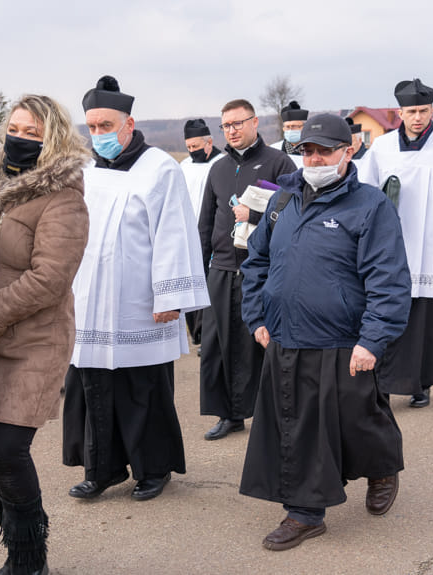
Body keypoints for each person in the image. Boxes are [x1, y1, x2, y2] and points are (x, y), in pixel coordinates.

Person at [239, 114, 410, 551]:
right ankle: (305, 513)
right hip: (286, 338)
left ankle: (382, 467)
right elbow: (256, 262)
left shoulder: (370, 205)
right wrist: (256, 317)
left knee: (358, 420)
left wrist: (373, 340)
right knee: (297, 425)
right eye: (307, 151)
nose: (314, 158)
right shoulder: (282, 202)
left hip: (343, 341)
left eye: (325, 151)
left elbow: (387, 279)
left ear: (348, 151)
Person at [63, 76, 209, 501]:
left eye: (106, 126)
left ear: (129, 123)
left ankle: (153, 469)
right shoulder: (84, 170)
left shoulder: (159, 168)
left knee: (142, 388)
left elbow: (175, 235)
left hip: (139, 303)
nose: (98, 135)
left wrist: (170, 297)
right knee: (91, 387)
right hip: (89, 300)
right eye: (91, 127)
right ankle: (101, 468)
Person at [0, 95, 90, 575]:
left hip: (33, 342)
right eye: (15, 128)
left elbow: (49, 279)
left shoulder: (64, 199)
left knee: (8, 450)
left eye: (33, 132)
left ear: (53, 138)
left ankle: (30, 560)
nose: (20, 138)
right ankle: (18, 547)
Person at [359, 78, 433, 408]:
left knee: (426, 319)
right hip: (389, 245)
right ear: (400, 112)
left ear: (432, 112)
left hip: (430, 247)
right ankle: (381, 382)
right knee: (385, 310)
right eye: (412, 111)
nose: (418, 117)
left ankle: (421, 382)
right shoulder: (381, 148)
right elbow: (366, 192)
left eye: (424, 111)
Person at [198, 99, 296, 440]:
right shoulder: (218, 168)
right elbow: (206, 222)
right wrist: (200, 267)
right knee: (219, 346)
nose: (232, 131)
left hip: (262, 271)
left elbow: (293, 214)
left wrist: (254, 216)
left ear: (255, 122)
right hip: (222, 269)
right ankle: (229, 413)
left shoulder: (278, 162)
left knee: (260, 345)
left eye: (238, 123)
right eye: (226, 125)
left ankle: (271, 415)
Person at [180, 119, 224, 347]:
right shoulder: (184, 166)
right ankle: (195, 333)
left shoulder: (222, 164)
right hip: (187, 233)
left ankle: (207, 333)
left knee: (208, 284)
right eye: (189, 147)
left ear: (209, 143)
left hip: (211, 233)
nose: (192, 151)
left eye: (196, 146)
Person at [270, 101, 308, 168]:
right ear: (283, 129)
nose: (290, 130)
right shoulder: (273, 150)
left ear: (303, 127)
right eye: (287, 127)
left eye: (294, 126)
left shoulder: (312, 149)